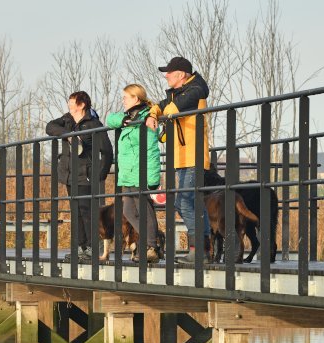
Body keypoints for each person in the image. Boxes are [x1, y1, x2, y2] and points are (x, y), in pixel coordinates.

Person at [146, 56, 211, 264]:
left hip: (193, 156)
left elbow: (172, 109)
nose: (166, 76)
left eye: (169, 73)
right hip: (182, 157)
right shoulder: (180, 92)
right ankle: (206, 249)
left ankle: (198, 251)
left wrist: (160, 113)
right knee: (192, 203)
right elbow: (158, 106)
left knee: (184, 201)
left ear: (181, 75)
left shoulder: (195, 91)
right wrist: (152, 114)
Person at [46, 91, 113, 260]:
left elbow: (107, 150)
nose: (69, 105)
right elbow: (50, 127)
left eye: (72, 102)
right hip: (69, 174)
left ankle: (92, 247)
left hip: (86, 174)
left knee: (87, 210)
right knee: (75, 210)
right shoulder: (66, 120)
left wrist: (101, 174)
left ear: (82, 104)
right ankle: (80, 247)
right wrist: (68, 136)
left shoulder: (93, 124)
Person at [107, 84, 161, 263]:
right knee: (129, 211)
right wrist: (123, 120)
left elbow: (152, 150)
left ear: (136, 98)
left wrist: (153, 178)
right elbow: (109, 120)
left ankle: (153, 246)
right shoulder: (128, 118)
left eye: (126, 97)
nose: (123, 100)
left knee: (144, 209)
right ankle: (150, 242)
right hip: (127, 174)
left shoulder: (148, 119)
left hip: (140, 173)